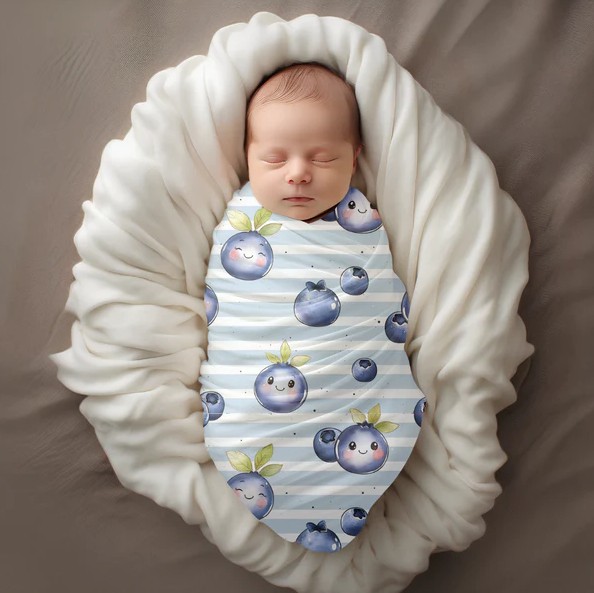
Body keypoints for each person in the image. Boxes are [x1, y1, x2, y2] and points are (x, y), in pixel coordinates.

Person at [199, 62, 423, 552]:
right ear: (247, 156)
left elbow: (380, 304)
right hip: (252, 401)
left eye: (323, 158)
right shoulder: (241, 224)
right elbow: (231, 313)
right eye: (274, 159)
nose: (298, 173)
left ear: (354, 158)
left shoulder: (359, 225)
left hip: (349, 391)